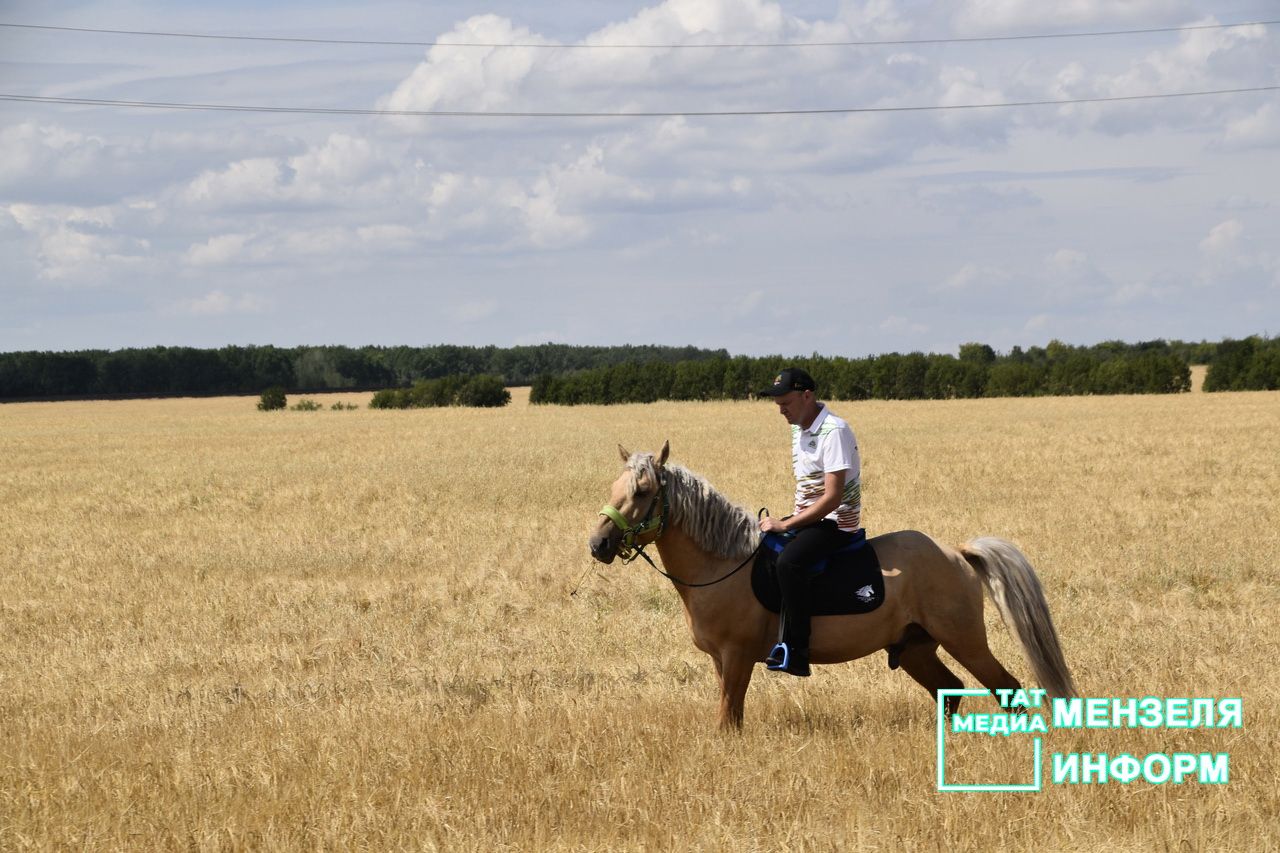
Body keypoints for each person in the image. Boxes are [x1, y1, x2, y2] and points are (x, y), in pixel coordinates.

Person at [757, 367, 864, 677]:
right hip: (810, 520)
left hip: (835, 523)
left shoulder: (834, 431)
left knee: (789, 562)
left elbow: (831, 499)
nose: (781, 411)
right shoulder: (799, 429)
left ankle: (796, 650)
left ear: (807, 396)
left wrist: (787, 525)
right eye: (777, 405)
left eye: (786, 403)